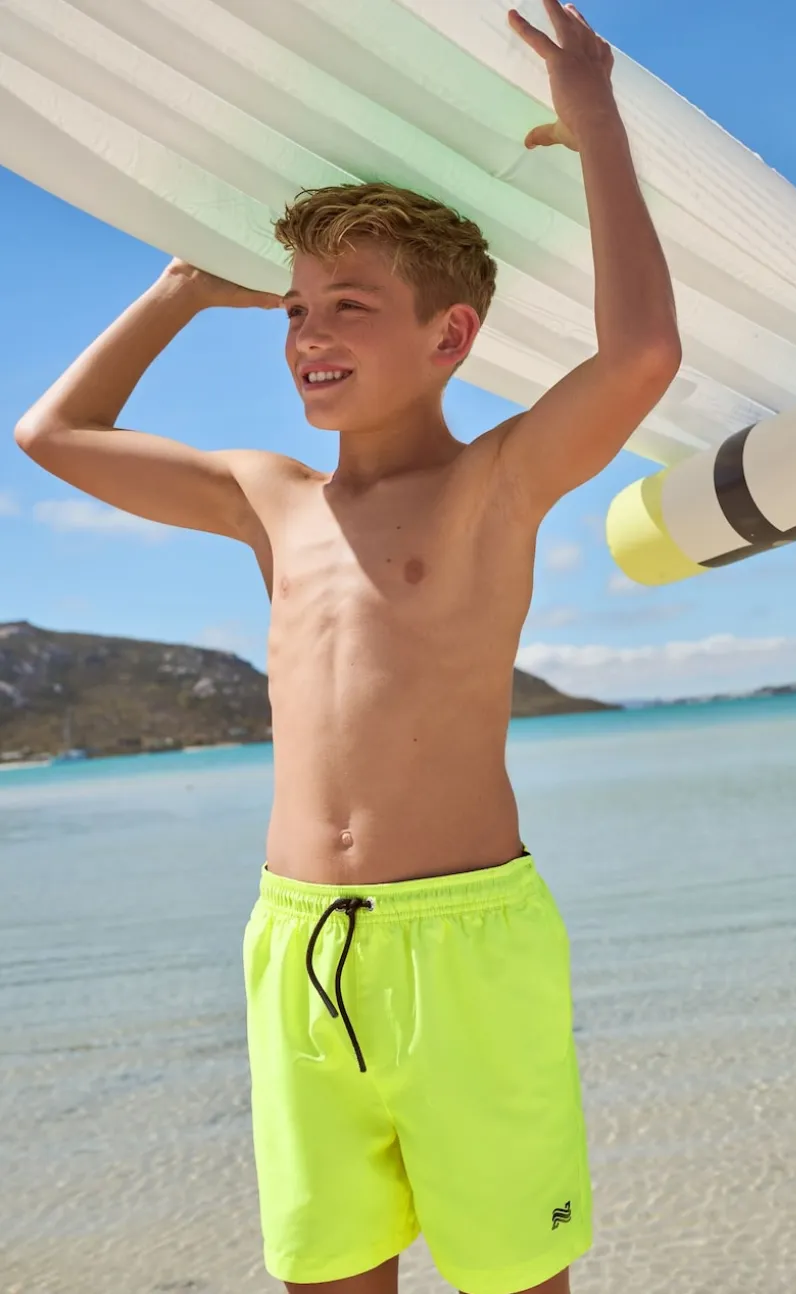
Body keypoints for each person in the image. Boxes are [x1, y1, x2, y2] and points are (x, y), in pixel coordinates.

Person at [14, 3, 680, 1291]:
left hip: (464, 945)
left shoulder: (495, 484)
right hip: (297, 944)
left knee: (511, 1276)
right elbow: (52, 436)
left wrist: (595, 121)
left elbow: (642, 352)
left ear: (450, 337)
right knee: (325, 1273)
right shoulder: (270, 498)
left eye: (350, 306)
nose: (308, 335)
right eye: (296, 308)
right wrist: (183, 289)